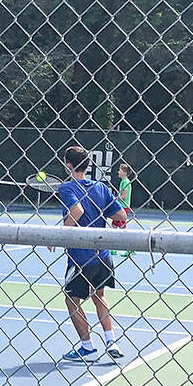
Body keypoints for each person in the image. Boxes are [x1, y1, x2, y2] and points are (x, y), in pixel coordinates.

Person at [56, 145, 127, 362]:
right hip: (103, 255)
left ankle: (87, 347)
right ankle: (111, 341)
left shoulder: (67, 188)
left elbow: (77, 211)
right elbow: (121, 215)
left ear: (69, 165)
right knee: (99, 296)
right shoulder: (101, 187)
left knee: (71, 299)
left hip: (80, 257)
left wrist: (59, 235)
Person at [113, 162, 135, 257]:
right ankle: (112, 248)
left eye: (120, 170)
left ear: (125, 172)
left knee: (122, 229)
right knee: (114, 226)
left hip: (123, 208)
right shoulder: (124, 181)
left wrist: (114, 198)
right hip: (120, 207)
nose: (118, 172)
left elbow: (124, 196)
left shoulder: (125, 182)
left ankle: (130, 249)